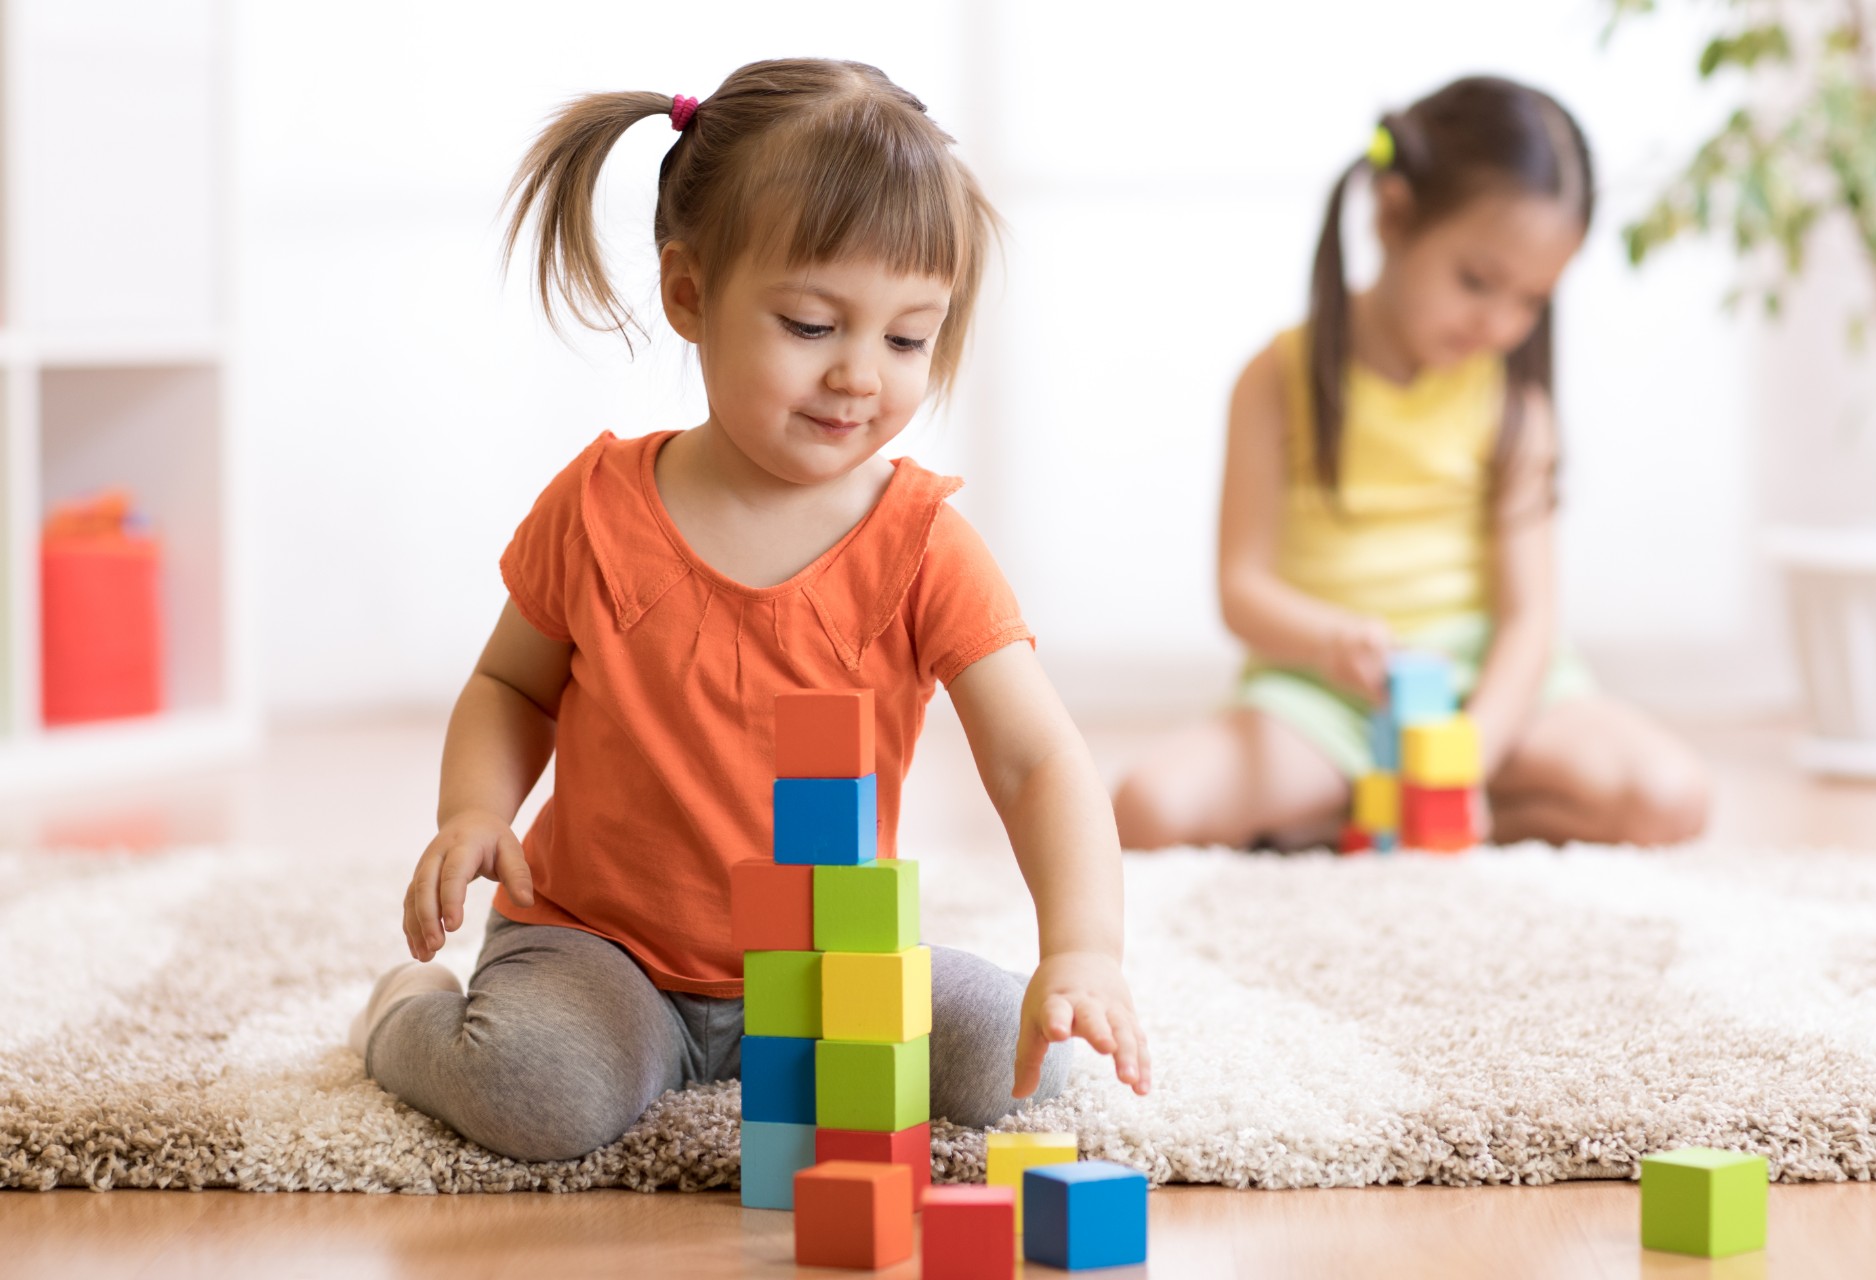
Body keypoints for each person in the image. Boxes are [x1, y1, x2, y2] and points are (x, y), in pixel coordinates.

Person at [346, 59, 1148, 1164]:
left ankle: (893, 1034)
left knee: (1022, 1066)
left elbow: (1037, 759)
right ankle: (402, 1009)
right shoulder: (596, 507)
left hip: (827, 971)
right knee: (538, 1091)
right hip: (604, 949)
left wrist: (1083, 949)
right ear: (689, 294)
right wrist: (474, 810)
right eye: (813, 324)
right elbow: (510, 684)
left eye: (907, 338)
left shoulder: (924, 545)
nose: (862, 374)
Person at [1113, 76, 1710, 853]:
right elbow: (1241, 589)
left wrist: (1469, 755)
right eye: (1477, 282)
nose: (1501, 322)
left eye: (1532, 300)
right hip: (1327, 699)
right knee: (1148, 808)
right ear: (1393, 216)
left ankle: (1384, 815)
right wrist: (1331, 638)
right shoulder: (1275, 379)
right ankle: (1379, 803)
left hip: (1488, 690)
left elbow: (1530, 619)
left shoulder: (1516, 408)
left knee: (1672, 797)